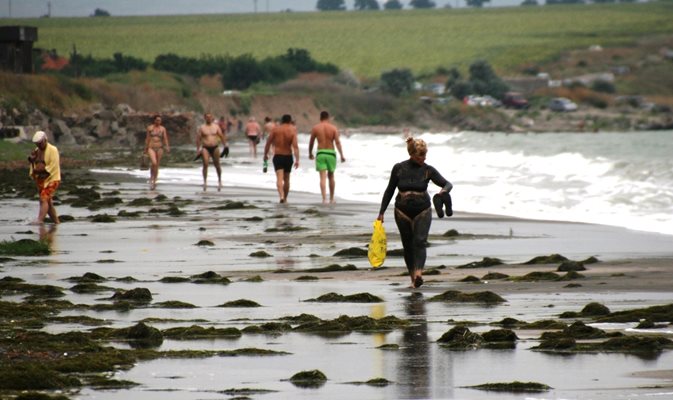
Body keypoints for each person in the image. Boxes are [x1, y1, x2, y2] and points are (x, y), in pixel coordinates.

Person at [377, 137, 452, 289]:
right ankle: (413, 279)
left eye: (425, 155)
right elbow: (390, 190)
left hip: (422, 210)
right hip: (401, 211)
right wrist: (381, 212)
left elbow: (447, 183)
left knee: (420, 242)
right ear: (411, 154)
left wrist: (443, 192)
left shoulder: (428, 170)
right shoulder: (399, 168)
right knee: (408, 245)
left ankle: (418, 274)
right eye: (421, 155)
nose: (424, 158)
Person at [308, 111, 346, 204]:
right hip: (331, 154)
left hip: (321, 153)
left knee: (322, 178)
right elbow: (337, 142)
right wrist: (341, 155)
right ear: (328, 118)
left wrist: (310, 153)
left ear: (320, 118)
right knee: (331, 176)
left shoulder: (315, 128)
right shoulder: (333, 128)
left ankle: (324, 199)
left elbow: (311, 142)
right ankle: (332, 199)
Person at [263, 114, 299, 203]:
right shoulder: (292, 130)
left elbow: (268, 143)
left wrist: (265, 155)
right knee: (287, 179)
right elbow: (295, 147)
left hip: (278, 156)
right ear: (290, 121)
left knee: (279, 178)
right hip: (288, 156)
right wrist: (297, 160)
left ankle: (281, 196)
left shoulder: (275, 129)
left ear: (282, 120)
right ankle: (285, 198)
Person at [28, 131, 61, 224]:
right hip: (41, 179)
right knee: (48, 202)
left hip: (52, 178)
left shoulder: (53, 149)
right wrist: (32, 161)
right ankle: (56, 222)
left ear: (45, 140)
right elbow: (34, 166)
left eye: (40, 143)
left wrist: (41, 170)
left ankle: (40, 220)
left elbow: (53, 166)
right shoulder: (36, 151)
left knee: (43, 198)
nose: (39, 145)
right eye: (37, 144)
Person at [195, 112, 227, 191]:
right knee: (205, 164)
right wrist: (198, 149)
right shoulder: (202, 128)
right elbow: (198, 139)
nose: (209, 118)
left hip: (215, 147)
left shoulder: (216, 127)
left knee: (217, 165)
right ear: (205, 118)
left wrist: (225, 145)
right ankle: (205, 182)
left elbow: (221, 136)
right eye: (207, 117)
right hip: (205, 147)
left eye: (210, 117)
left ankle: (219, 181)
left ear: (212, 118)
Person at [143, 115, 170, 190]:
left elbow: (165, 138)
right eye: (157, 120)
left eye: (160, 120)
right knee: (154, 163)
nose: (158, 122)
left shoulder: (162, 129)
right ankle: (151, 177)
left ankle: (154, 180)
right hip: (151, 147)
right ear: (154, 120)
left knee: (157, 164)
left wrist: (167, 147)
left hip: (160, 148)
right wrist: (145, 148)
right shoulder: (150, 128)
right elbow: (147, 138)